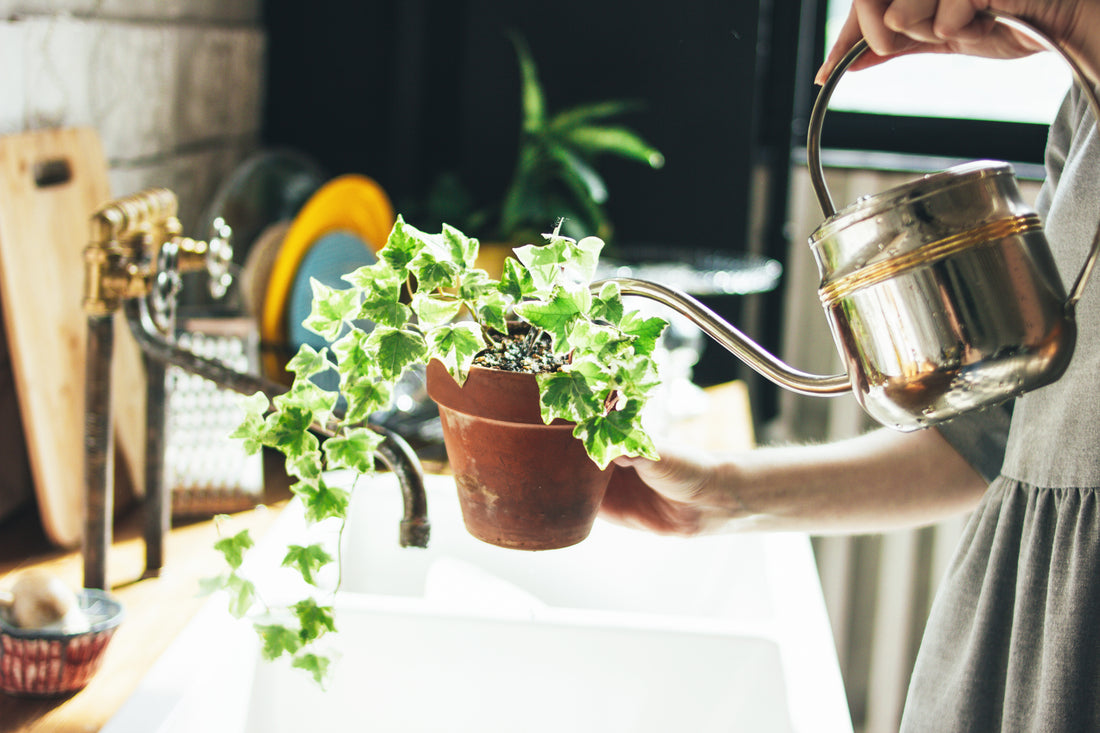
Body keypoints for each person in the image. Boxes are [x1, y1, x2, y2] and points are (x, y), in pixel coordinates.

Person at [601, 1, 1100, 729]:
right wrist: (726, 495)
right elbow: (997, 439)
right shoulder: (1082, 115)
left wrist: (1067, 15)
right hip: (1011, 631)